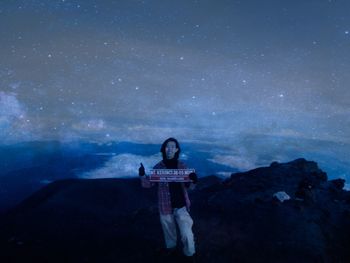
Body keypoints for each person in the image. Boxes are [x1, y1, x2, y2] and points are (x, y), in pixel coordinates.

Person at [139, 137, 198, 261]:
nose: (170, 149)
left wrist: (193, 180)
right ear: (164, 149)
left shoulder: (182, 166)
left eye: (172, 146)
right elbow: (148, 184)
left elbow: (189, 186)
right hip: (165, 206)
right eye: (167, 146)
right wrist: (143, 175)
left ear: (176, 149)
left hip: (181, 205)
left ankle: (190, 254)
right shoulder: (158, 167)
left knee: (186, 233)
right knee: (169, 233)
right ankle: (171, 251)